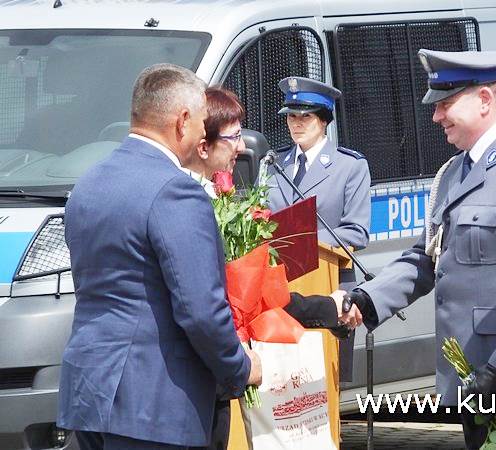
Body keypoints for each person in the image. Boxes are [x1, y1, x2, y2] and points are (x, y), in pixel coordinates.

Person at [343, 49, 496, 449]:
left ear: (484, 100)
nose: (436, 116)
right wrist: (366, 299)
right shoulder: (456, 171)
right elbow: (428, 256)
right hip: (472, 374)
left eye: (446, 104)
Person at [57, 63, 261, 450]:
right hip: (153, 405)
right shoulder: (175, 192)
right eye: (203, 121)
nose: (205, 132)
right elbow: (201, 311)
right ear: (182, 121)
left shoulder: (89, 182)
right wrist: (241, 367)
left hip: (89, 395)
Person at [183, 86, 356, 450]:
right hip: (195, 383)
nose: (243, 147)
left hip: (221, 374)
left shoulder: (349, 165)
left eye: (304, 116)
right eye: (233, 137)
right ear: (204, 143)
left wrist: (328, 308)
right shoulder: (189, 202)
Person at [259, 76, 371, 382]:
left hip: (328, 283)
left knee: (326, 386)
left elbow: (357, 232)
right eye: (291, 117)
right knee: (286, 384)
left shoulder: (350, 166)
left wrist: (299, 237)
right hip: (284, 287)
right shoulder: (272, 164)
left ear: (323, 121)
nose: (296, 123)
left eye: (305, 116)